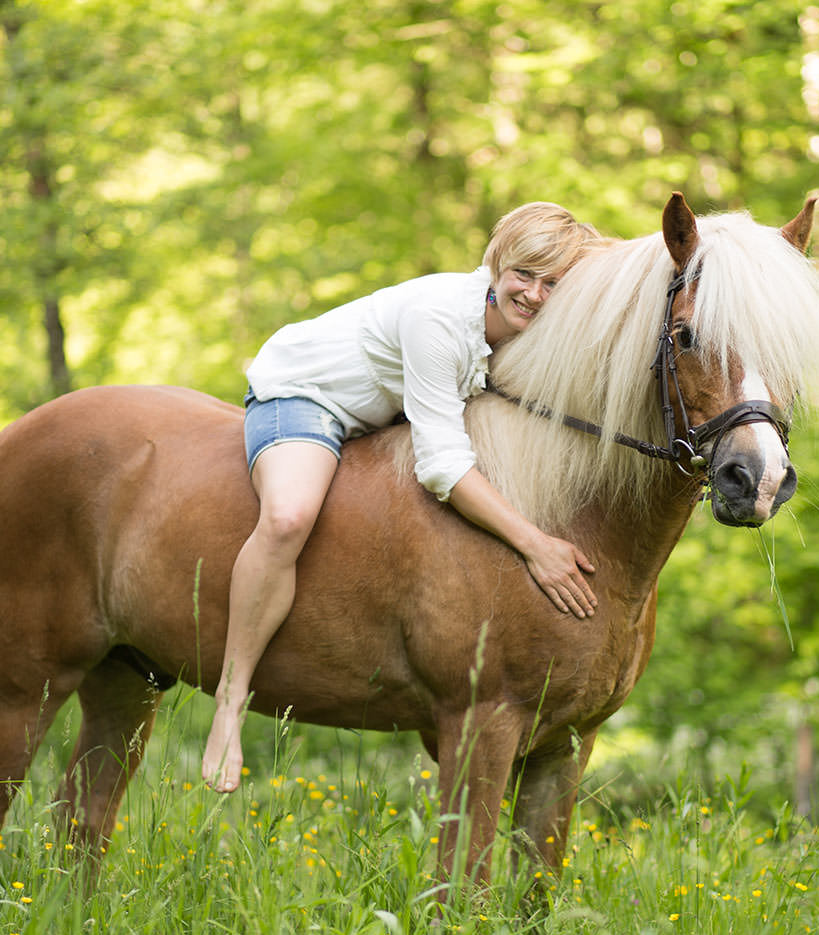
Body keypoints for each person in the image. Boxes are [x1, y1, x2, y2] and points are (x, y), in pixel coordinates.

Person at [202, 202, 605, 792]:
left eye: (553, 284)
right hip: (311, 395)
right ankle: (229, 704)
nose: (535, 294)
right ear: (497, 261)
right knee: (289, 516)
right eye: (524, 274)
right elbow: (441, 464)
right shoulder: (439, 319)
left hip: (387, 411)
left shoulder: (529, 327)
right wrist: (535, 543)